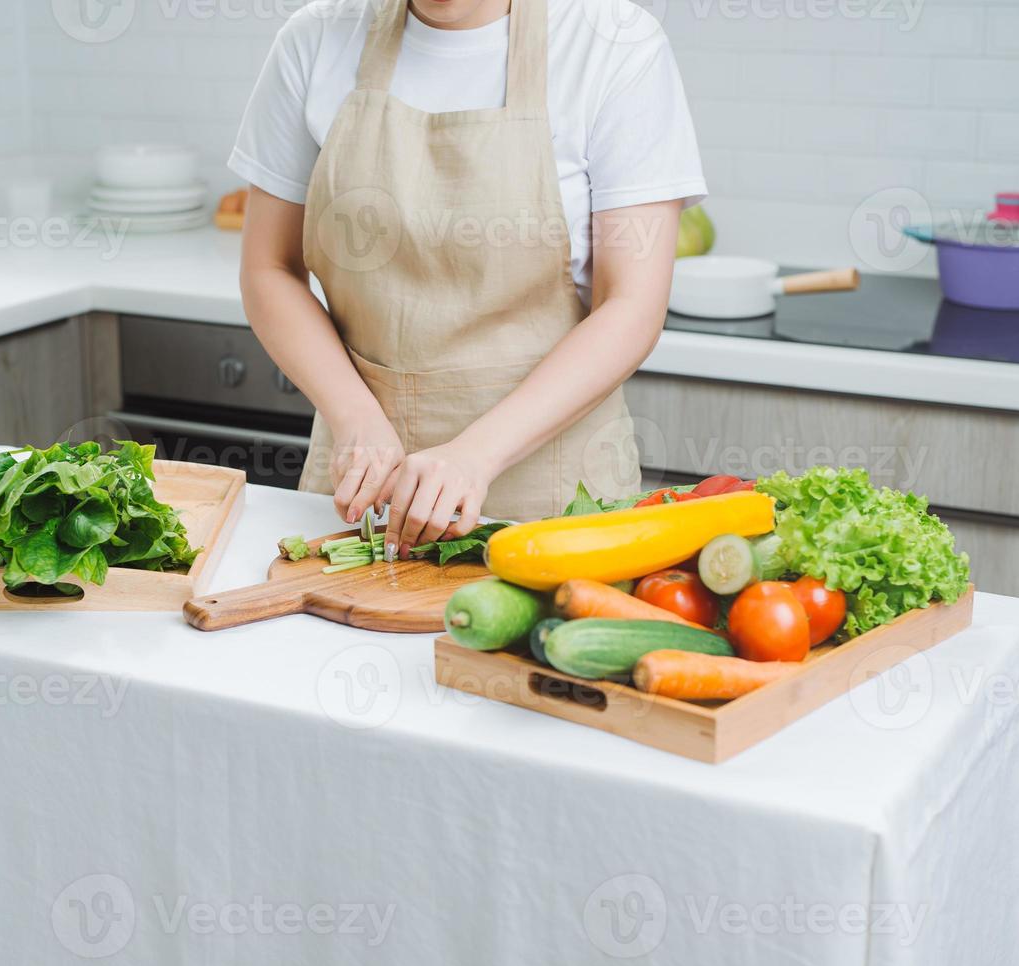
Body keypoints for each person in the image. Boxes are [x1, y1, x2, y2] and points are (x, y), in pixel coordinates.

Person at [231, 0, 705, 558]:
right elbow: (269, 269)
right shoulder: (315, 38)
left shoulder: (614, 42)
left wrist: (475, 455)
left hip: (555, 501)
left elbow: (633, 305)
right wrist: (354, 416)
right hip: (360, 495)